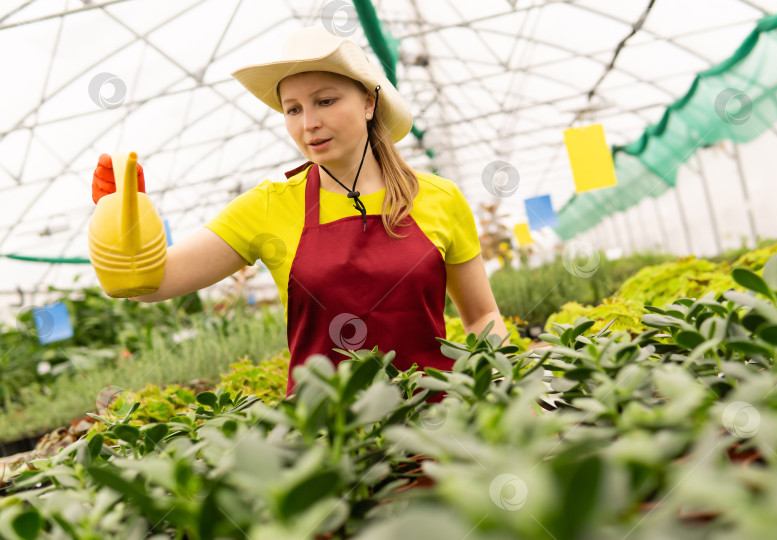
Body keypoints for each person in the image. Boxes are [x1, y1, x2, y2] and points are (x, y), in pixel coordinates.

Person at [91, 26, 508, 397]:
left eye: (325, 101)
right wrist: (120, 216)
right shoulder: (269, 206)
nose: (308, 123)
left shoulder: (439, 197)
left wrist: (494, 386)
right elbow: (151, 284)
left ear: (368, 102)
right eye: (293, 109)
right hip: (329, 443)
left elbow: (482, 314)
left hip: (436, 425)